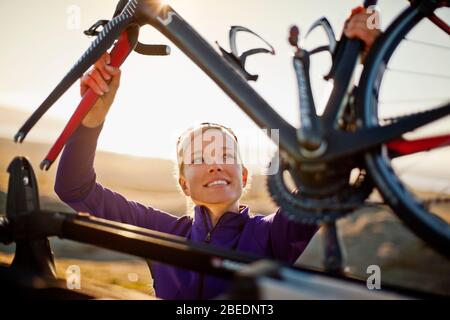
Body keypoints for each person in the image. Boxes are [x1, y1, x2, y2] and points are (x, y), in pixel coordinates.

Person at [54, 7, 381, 300]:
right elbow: (74, 188)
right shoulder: (162, 233)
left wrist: (358, 61)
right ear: (183, 183)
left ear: (243, 175)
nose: (213, 166)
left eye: (225, 154)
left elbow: (327, 168)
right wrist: (93, 117)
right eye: (198, 158)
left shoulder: (272, 234)